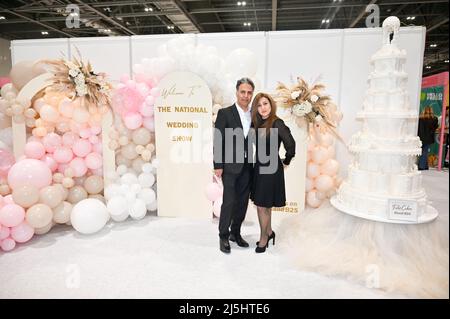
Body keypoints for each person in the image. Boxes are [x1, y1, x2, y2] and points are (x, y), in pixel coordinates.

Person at [250, 93, 296, 253]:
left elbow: (291, 144)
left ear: (271, 105)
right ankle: (269, 232)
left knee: (262, 205)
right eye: (259, 105)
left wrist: (286, 161)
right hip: (259, 168)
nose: (263, 108)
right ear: (256, 108)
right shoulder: (255, 124)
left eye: (265, 104)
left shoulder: (277, 123)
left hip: (271, 170)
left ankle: (263, 238)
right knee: (264, 204)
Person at [213, 78, 255, 254]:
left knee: (243, 202)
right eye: (242, 92)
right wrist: (218, 164)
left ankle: (235, 233)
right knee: (229, 202)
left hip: (248, 166)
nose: (246, 95)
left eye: (249, 92)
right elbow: (218, 140)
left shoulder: (254, 114)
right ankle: (223, 235)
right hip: (230, 166)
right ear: (237, 92)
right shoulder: (225, 113)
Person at [418, 106, 439, 170]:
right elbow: (435, 127)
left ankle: (422, 166)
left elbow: (419, 129)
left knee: (423, 151)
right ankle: (425, 166)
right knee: (425, 151)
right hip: (429, 138)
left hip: (421, 137)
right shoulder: (434, 119)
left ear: (424, 110)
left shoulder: (420, 118)